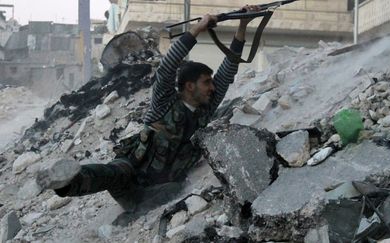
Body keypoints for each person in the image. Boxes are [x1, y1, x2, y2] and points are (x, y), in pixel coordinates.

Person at [37, 5, 259, 212]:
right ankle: (65, 182)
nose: (213, 87)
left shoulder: (205, 109)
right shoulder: (164, 103)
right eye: (206, 82)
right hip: (131, 176)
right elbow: (167, 67)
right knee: (113, 172)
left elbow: (229, 68)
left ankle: (133, 215)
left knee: (174, 191)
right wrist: (197, 29)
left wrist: (242, 26)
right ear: (189, 86)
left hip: (158, 190)